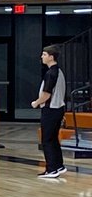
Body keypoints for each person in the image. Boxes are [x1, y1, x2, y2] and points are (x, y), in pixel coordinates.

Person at [32, 44, 67, 178]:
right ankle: (59, 166)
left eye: (44, 54)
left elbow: (47, 94)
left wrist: (36, 103)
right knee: (53, 139)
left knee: (47, 140)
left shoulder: (51, 73)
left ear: (51, 57)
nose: (42, 56)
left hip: (51, 110)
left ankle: (51, 169)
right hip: (58, 109)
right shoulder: (59, 71)